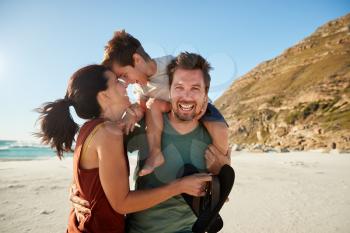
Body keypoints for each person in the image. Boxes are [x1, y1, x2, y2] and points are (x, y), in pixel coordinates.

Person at [36, 64, 212, 233]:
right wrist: (179, 186)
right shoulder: (107, 133)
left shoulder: (91, 128)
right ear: (104, 96)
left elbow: (88, 180)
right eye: (117, 83)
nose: (124, 85)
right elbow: (122, 203)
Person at [72, 53, 231, 233]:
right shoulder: (143, 127)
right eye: (179, 87)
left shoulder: (214, 136)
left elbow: (221, 193)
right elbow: (93, 158)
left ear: (206, 95)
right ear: (169, 90)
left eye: (195, 88)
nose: (186, 96)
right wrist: (78, 190)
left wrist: (224, 173)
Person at [102, 30, 229, 176]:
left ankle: (223, 168)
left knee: (221, 130)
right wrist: (131, 113)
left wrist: (204, 99)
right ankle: (155, 153)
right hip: (170, 108)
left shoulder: (169, 64)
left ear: (137, 59)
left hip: (196, 106)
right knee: (153, 104)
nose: (128, 82)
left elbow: (197, 78)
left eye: (125, 75)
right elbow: (142, 107)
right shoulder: (139, 87)